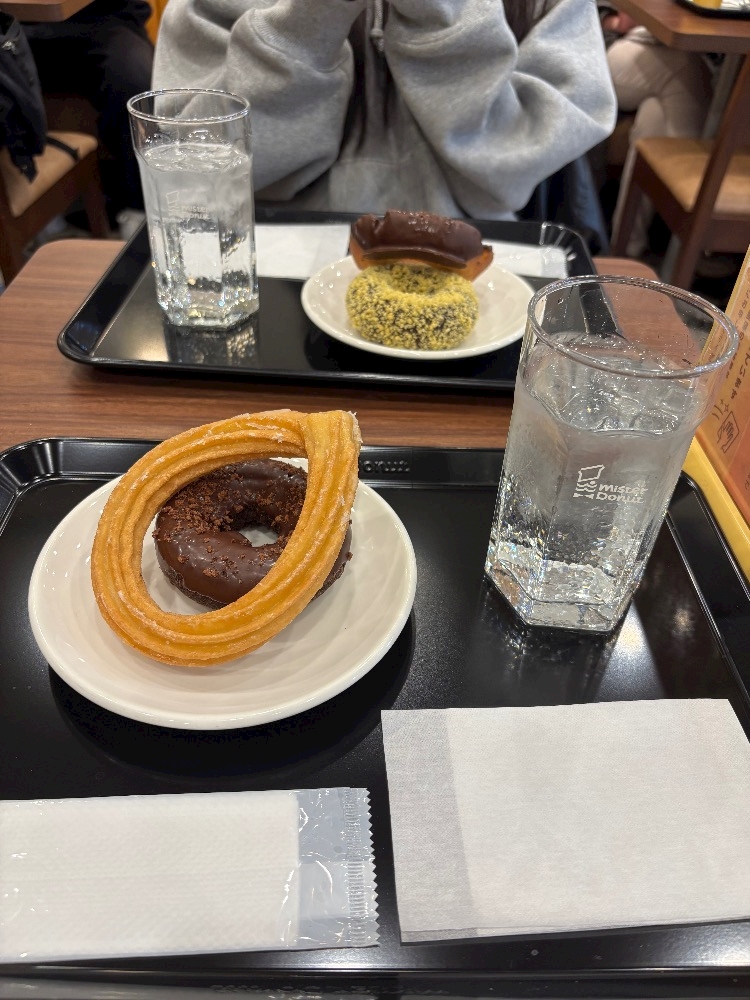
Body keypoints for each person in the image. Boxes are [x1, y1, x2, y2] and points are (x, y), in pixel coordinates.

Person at [152, 0, 617, 219]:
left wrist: (444, 15)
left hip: (485, 275)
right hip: (265, 267)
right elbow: (193, 167)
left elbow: (515, 164)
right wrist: (307, 19)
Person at [22, 0, 154, 231]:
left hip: (104, 21)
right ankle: (26, 206)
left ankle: (140, 207)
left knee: (135, 80)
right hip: (18, 30)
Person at [601, 8, 714, 257]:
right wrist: (610, 18)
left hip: (670, 45)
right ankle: (698, 238)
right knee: (686, 71)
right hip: (605, 43)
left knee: (655, 116)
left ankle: (625, 250)